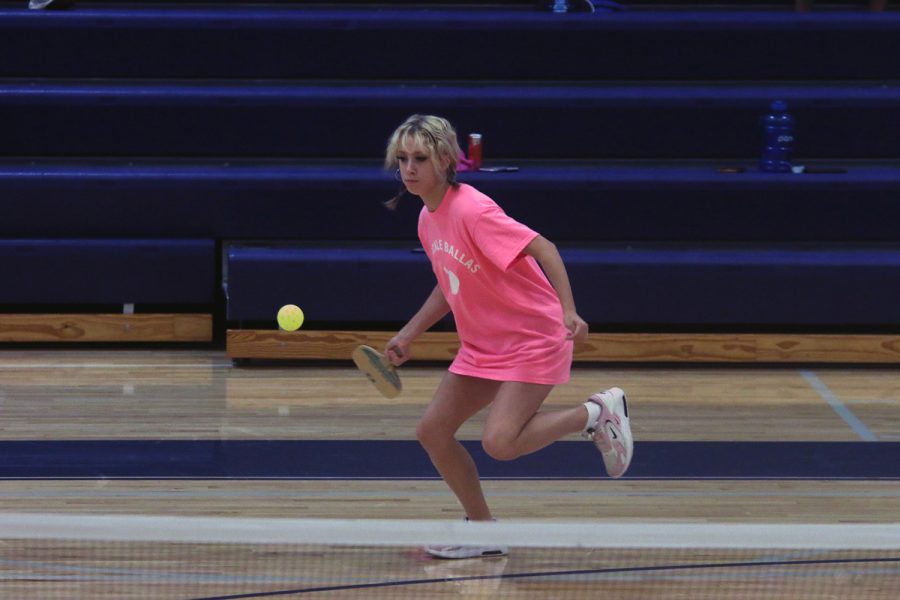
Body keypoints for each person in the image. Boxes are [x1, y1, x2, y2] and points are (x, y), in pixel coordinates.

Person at [382, 114, 634, 559]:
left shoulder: (472, 209)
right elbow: (450, 281)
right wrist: (409, 333)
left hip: (532, 336)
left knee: (500, 443)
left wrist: (569, 310)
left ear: (444, 159)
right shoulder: (427, 218)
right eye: (402, 159)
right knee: (433, 432)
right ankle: (482, 530)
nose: (409, 169)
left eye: (420, 158)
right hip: (484, 346)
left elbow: (544, 248)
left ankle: (595, 413)